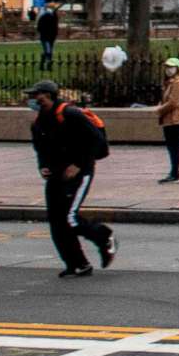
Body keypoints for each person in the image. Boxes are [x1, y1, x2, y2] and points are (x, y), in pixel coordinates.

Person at [25, 79, 116, 278]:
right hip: (57, 174)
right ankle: (77, 263)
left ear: (47, 95)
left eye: (35, 95)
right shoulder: (38, 122)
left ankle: (104, 237)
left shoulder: (70, 114)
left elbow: (96, 141)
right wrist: (43, 167)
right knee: (56, 221)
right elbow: (40, 149)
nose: (32, 99)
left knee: (70, 217)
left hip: (80, 172)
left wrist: (78, 164)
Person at [156, 57, 179, 183]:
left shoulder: (178, 82)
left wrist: (159, 110)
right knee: (171, 147)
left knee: (174, 146)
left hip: (176, 119)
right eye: (167, 67)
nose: (168, 70)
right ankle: (174, 172)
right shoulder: (169, 82)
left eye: (171, 67)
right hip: (169, 118)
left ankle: (175, 173)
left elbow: (173, 102)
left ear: (177, 68)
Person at [36, 0, 60, 71]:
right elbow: (39, 27)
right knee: (48, 51)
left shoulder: (54, 16)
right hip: (45, 37)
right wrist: (43, 33)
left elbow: (55, 26)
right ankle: (45, 65)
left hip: (52, 37)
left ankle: (45, 66)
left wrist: (55, 33)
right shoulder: (43, 16)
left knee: (49, 51)